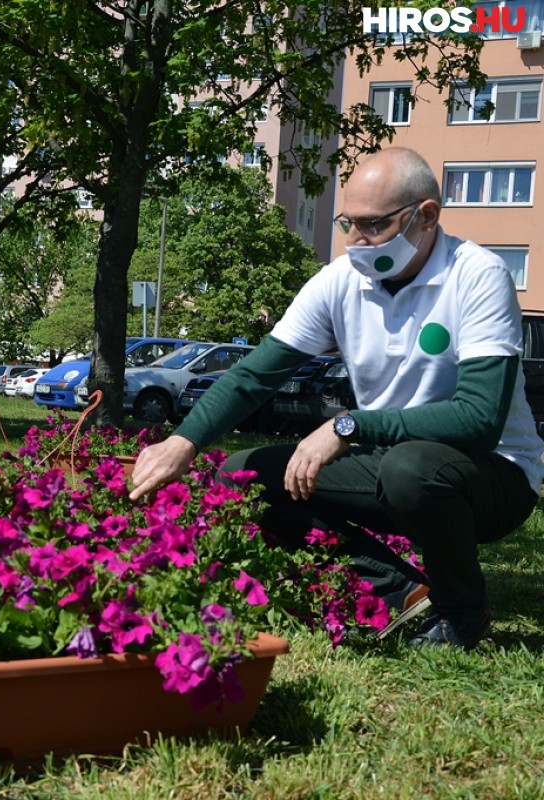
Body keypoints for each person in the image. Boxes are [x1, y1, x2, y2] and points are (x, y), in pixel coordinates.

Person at [130, 147, 544, 650]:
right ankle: (403, 592)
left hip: (493, 477)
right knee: (246, 476)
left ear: (426, 216)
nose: (354, 242)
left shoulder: (477, 276)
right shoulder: (339, 283)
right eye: (348, 223)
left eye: (372, 225)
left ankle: (463, 609)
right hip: (393, 466)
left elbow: (478, 420)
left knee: (411, 469)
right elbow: (252, 377)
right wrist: (182, 443)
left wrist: (350, 426)